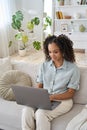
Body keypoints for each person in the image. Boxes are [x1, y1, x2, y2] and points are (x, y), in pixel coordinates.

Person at [22, 34, 80, 130]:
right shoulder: (44, 66)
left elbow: (70, 93)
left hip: (63, 101)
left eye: (55, 52)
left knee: (41, 114)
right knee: (26, 110)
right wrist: (35, 97)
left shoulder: (73, 69)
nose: (52, 55)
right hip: (45, 98)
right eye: (50, 52)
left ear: (63, 51)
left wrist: (52, 97)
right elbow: (40, 85)